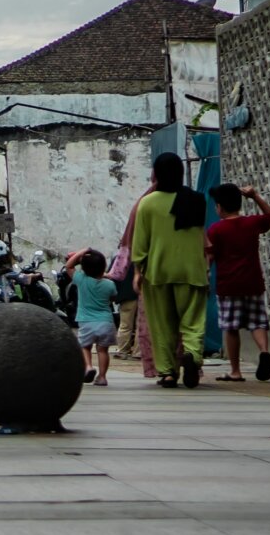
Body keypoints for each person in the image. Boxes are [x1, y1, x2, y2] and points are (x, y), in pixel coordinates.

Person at [128, 150, 209, 388]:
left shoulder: (148, 203)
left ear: (156, 174)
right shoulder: (196, 199)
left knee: (162, 325)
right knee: (193, 321)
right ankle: (193, 355)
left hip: (158, 271)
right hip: (192, 271)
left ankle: (168, 373)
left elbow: (140, 242)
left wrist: (137, 271)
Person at [206, 182, 270, 381]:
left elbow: (209, 258)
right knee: (257, 323)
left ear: (220, 207)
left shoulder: (215, 230)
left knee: (231, 328)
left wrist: (205, 276)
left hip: (229, 285)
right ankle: (264, 352)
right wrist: (255, 196)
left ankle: (235, 371)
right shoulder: (252, 223)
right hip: (253, 282)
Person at [70, 248, 119, 386]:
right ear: (103, 267)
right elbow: (114, 298)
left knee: (85, 346)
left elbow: (69, 265)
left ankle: (88, 367)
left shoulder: (81, 280)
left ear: (84, 268)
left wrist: (83, 251)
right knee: (103, 350)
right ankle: (102, 377)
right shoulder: (110, 284)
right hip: (106, 322)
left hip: (86, 322)